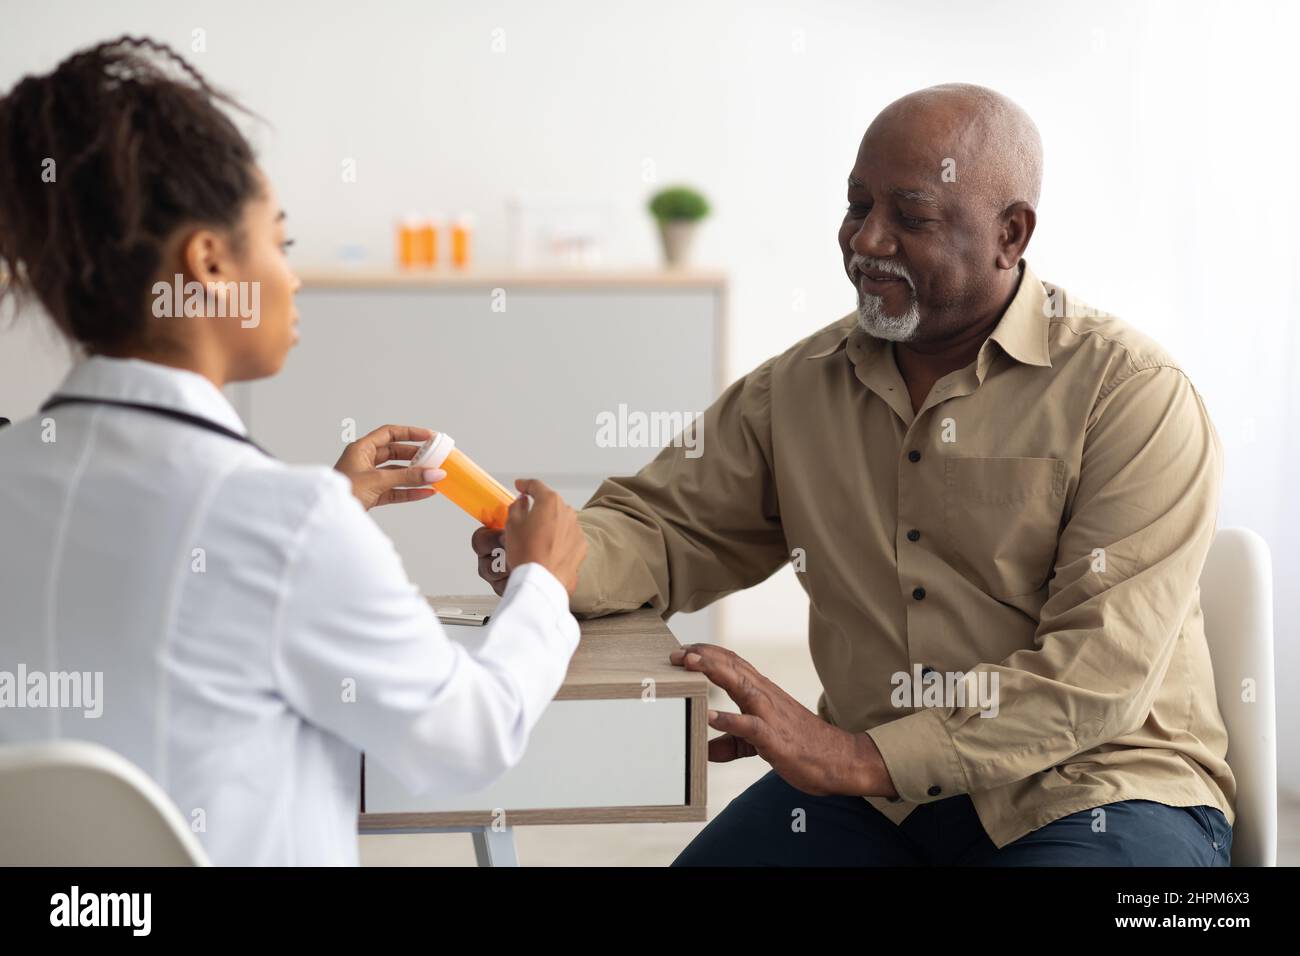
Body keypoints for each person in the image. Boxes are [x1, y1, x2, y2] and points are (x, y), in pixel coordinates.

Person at [474, 84, 1235, 866]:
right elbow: (666, 527)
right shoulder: (798, 386)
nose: (868, 240)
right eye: (856, 205)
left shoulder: (1131, 394)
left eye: (912, 217)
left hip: (1097, 788)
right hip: (877, 804)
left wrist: (860, 758)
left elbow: (1097, 674)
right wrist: (555, 559)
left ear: (1011, 233)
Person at [0, 37, 587, 866]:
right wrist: (542, 587)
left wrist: (318, 518)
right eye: (279, 243)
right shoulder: (283, 523)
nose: (294, 278)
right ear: (208, 262)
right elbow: (466, 739)